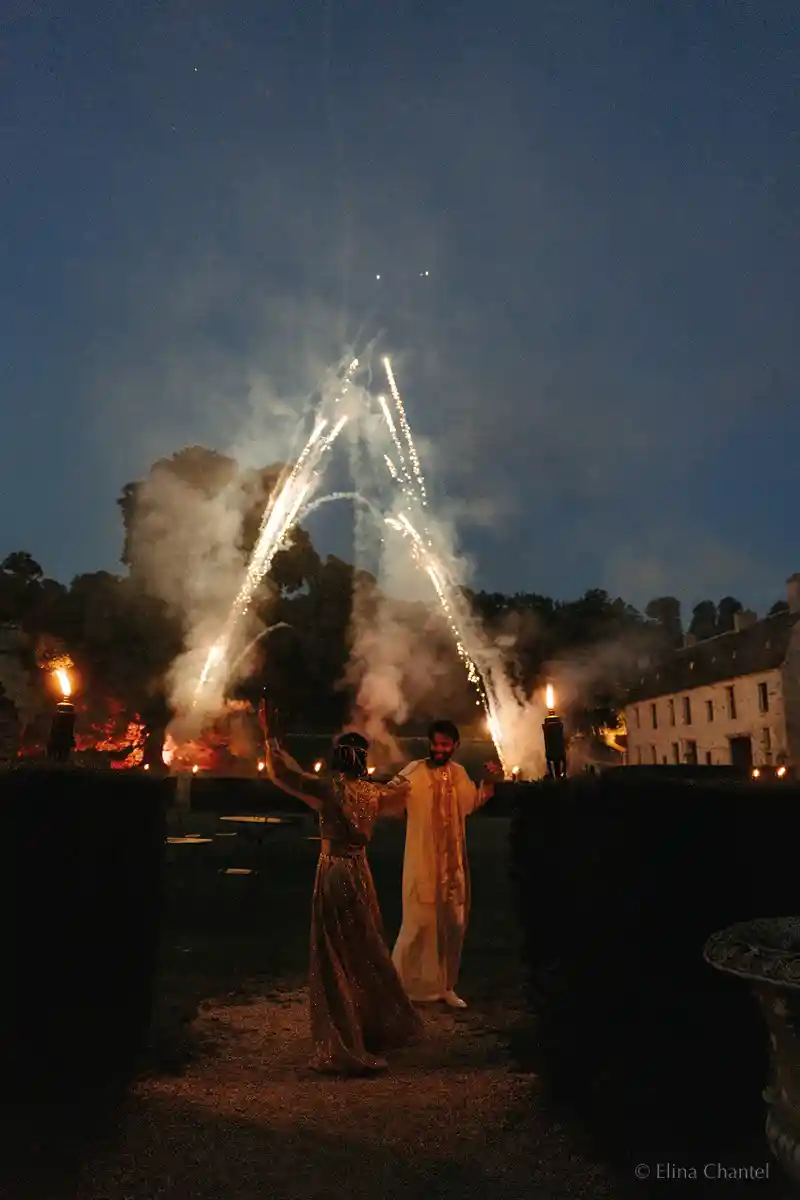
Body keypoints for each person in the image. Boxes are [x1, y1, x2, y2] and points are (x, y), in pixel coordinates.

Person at [263, 728, 424, 1075]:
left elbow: (286, 774)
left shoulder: (330, 789)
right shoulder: (372, 792)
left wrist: (271, 740)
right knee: (364, 945)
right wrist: (414, 770)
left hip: (334, 870)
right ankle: (371, 1022)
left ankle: (344, 1033)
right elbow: (400, 790)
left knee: (334, 950)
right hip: (360, 871)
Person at [389, 719, 498, 1008]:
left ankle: (445, 986)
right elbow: (388, 796)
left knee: (452, 926)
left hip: (452, 868)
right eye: (435, 744)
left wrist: (489, 782)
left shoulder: (459, 774)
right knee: (417, 925)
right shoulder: (413, 772)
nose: (439, 749)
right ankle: (395, 987)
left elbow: (471, 802)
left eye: (445, 745)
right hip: (422, 864)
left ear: (455, 746)